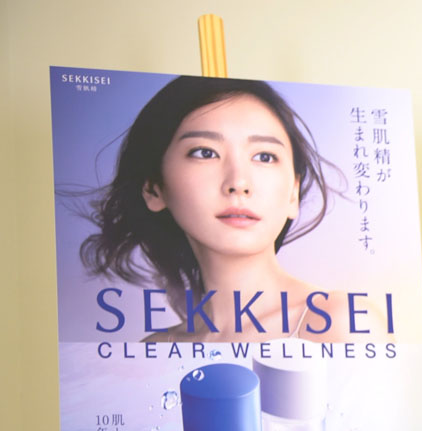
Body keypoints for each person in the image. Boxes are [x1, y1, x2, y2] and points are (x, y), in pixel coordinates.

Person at [78, 76, 361, 342]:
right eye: (205, 153)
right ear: (154, 188)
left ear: (293, 194)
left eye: (264, 156)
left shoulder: (337, 323)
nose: (238, 183)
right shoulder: (155, 348)